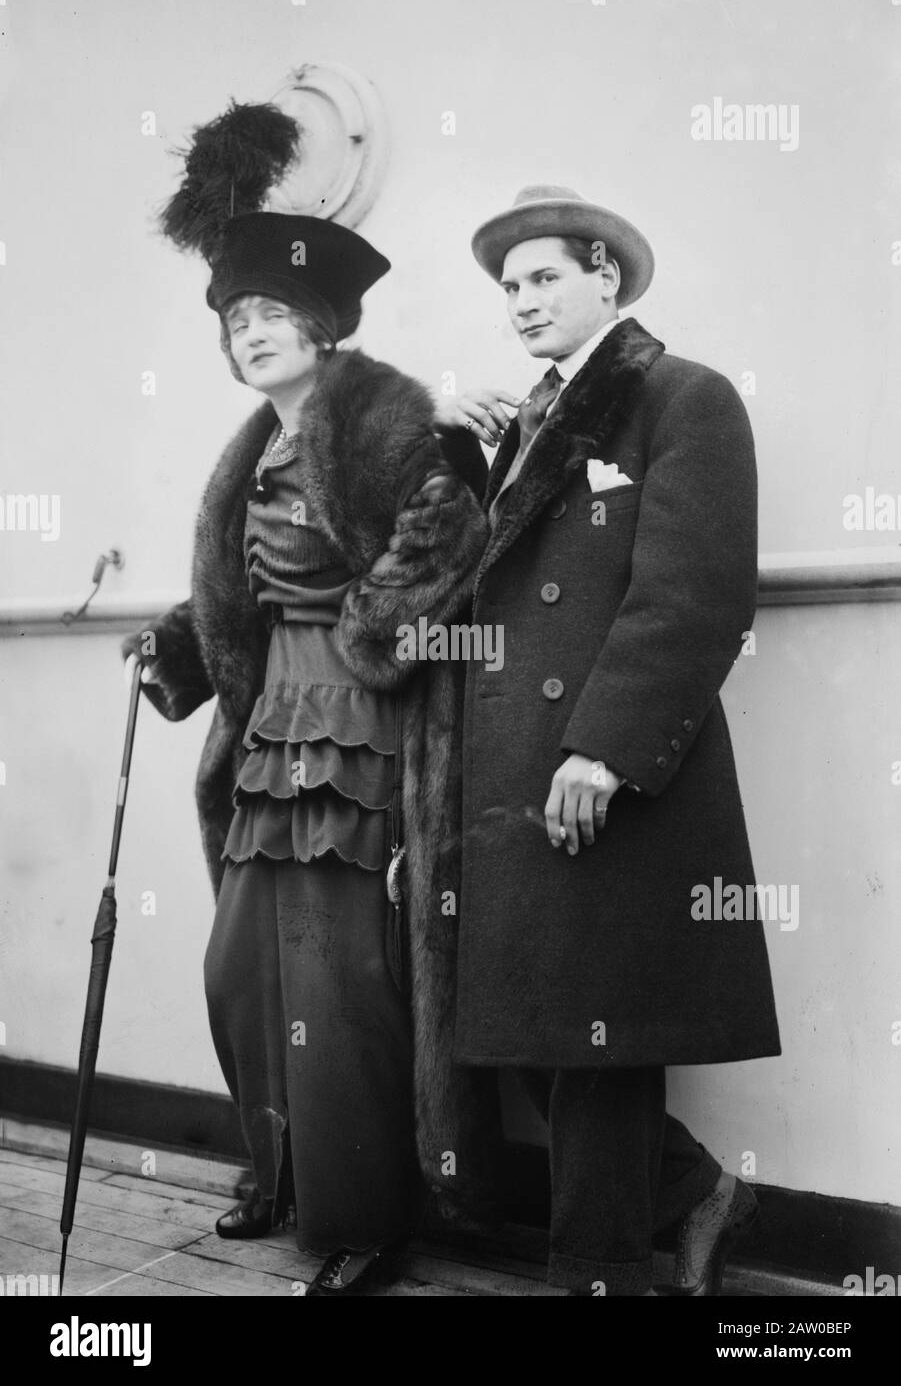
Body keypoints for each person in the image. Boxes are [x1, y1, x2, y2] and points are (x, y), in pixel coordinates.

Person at [121, 176, 503, 1292]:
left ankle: (361, 1215)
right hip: (267, 727)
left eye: (268, 318)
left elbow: (449, 523)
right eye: (235, 324)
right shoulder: (251, 446)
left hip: (353, 722)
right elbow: (241, 588)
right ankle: (283, 1173)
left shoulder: (380, 409)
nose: (249, 336)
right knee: (242, 969)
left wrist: (371, 628)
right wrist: (176, 646)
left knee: (340, 983)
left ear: (321, 325)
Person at [442, 185, 781, 1297]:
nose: (522, 302)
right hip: (510, 774)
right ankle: (694, 1191)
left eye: (544, 277)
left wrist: (603, 749)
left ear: (606, 278)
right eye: (509, 287)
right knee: (537, 1024)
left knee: (596, 1046)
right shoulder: (523, 429)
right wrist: (467, 454)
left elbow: (692, 593)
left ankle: (596, 1277)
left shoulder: (684, 396)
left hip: (609, 772)